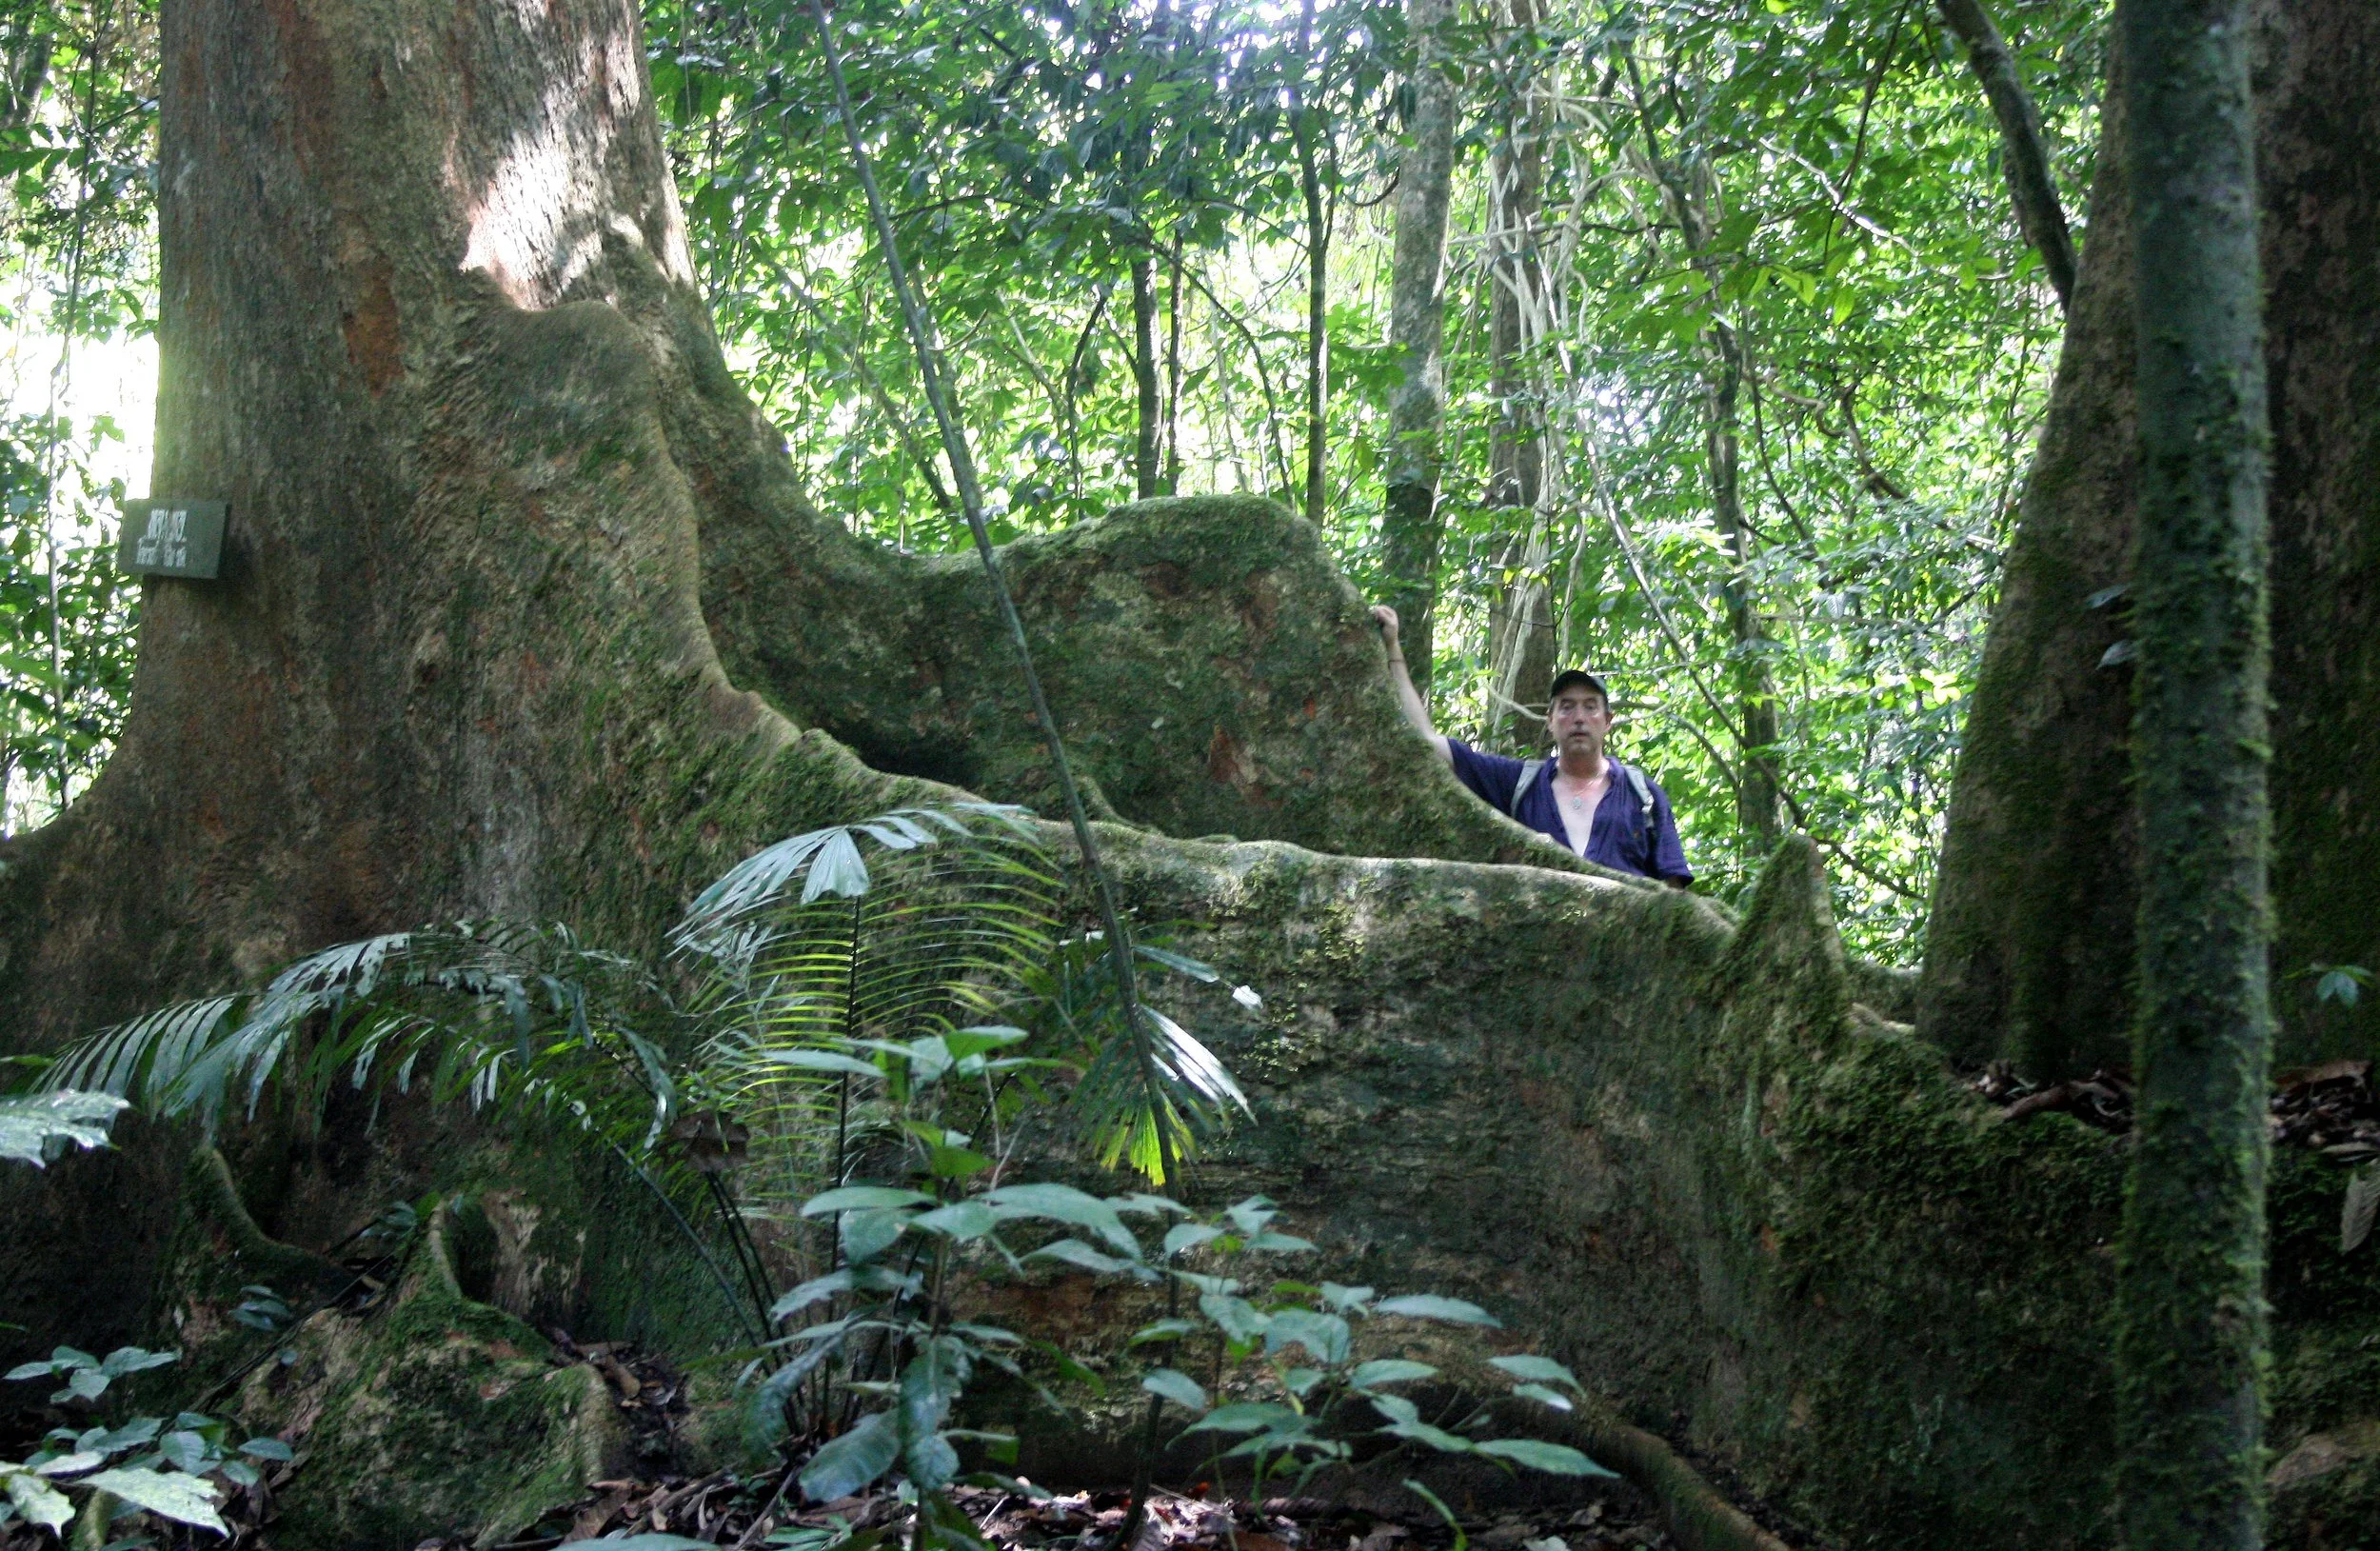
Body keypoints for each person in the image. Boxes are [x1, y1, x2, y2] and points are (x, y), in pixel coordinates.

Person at [1371, 605, 1693, 887]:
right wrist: (1393, 651)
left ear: (1607, 721)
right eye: (1566, 707)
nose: (1579, 717)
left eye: (1590, 707)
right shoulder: (1520, 784)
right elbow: (1427, 744)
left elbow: (1673, 893)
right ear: (1550, 720)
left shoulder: (1643, 795)